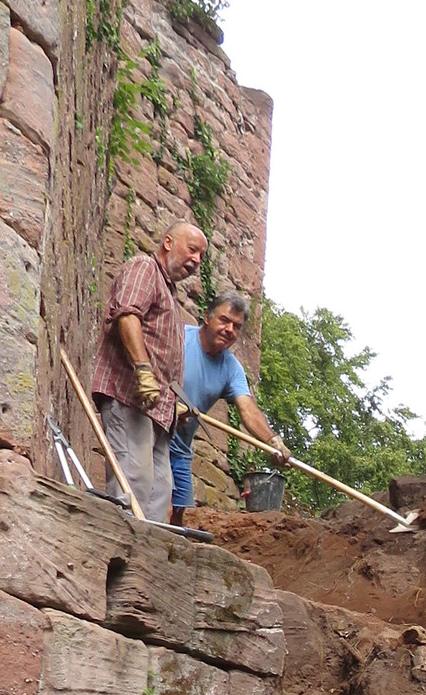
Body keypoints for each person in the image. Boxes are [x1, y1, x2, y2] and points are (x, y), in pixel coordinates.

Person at [90, 221, 205, 525]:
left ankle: (141, 553)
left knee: (159, 494)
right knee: (133, 483)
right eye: (192, 250)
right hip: (129, 398)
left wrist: (174, 402)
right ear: (168, 242)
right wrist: (143, 371)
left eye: (201, 256)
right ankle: (117, 548)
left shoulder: (169, 292)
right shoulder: (145, 268)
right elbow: (127, 315)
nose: (196, 260)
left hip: (157, 413)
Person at [169, 286, 285, 520]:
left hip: (180, 451)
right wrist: (167, 403)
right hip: (151, 437)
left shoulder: (231, 368)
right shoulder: (178, 337)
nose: (230, 329)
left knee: (183, 519)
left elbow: (248, 409)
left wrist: (272, 441)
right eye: (224, 320)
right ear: (207, 317)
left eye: (237, 326)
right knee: (155, 508)